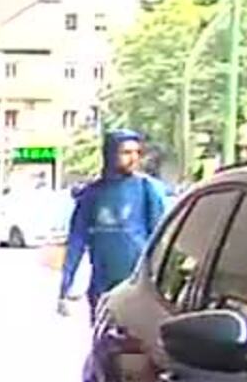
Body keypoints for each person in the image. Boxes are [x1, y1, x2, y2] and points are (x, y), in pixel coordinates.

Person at [60, 129, 168, 321]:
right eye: (126, 152)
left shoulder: (147, 189)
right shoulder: (92, 195)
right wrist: (65, 288)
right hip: (102, 288)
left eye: (137, 152)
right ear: (110, 155)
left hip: (138, 288)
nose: (133, 158)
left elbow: (160, 239)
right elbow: (76, 242)